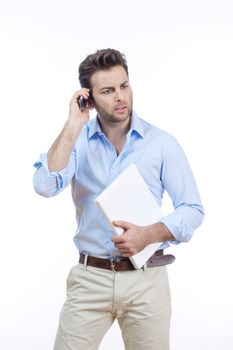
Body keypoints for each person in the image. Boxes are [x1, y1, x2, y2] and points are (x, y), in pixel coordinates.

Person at [33, 48, 204, 350]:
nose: (120, 97)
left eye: (124, 86)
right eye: (108, 91)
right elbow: (45, 185)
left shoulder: (162, 143)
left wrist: (149, 234)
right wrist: (74, 125)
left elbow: (192, 209)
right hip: (90, 279)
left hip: (147, 281)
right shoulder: (76, 141)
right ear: (89, 97)